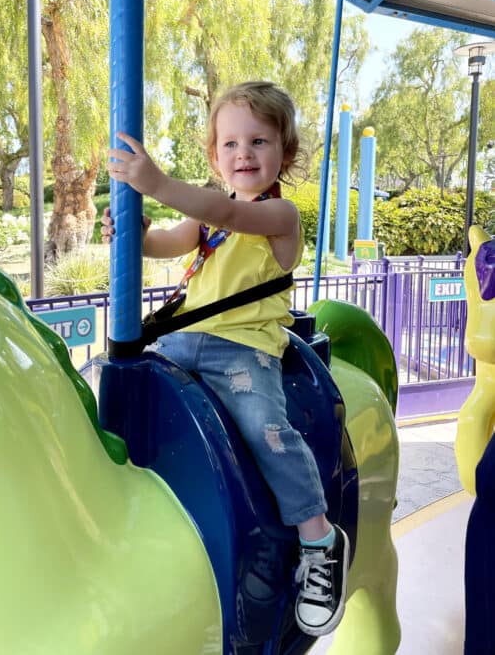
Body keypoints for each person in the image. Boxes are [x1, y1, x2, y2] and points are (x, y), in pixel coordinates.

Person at [104, 80, 349, 636]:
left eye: (259, 142)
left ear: (284, 154)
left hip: (244, 351)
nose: (244, 155)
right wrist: (137, 234)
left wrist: (158, 182)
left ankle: (319, 537)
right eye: (231, 144)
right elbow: (171, 239)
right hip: (181, 342)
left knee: (266, 427)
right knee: (115, 387)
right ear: (215, 155)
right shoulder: (209, 218)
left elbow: (227, 213)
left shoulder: (278, 215)